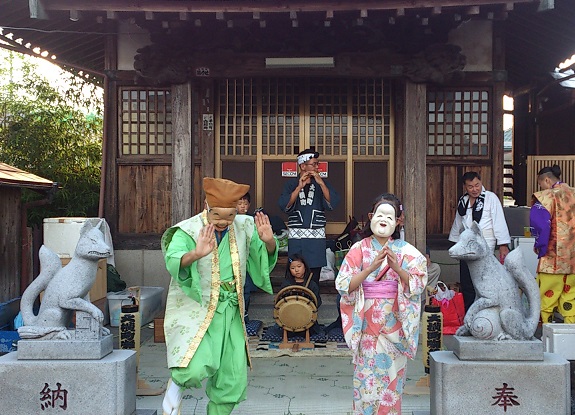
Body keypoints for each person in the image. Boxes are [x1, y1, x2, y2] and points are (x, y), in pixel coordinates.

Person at [160, 177, 278, 415]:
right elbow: (173, 259)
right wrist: (195, 253)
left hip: (232, 309)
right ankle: (177, 383)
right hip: (199, 307)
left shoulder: (245, 225)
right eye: (217, 216)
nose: (224, 222)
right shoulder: (188, 229)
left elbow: (262, 256)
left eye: (230, 216)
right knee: (193, 367)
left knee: (231, 377)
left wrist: (269, 242)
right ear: (207, 206)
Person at [335, 193, 427, 414]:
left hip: (394, 324)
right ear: (371, 217)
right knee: (366, 381)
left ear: (398, 221)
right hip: (367, 326)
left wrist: (397, 269)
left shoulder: (407, 251)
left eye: (390, 216)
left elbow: (418, 283)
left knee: (392, 381)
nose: (384, 220)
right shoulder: (359, 249)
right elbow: (344, 285)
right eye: (379, 214)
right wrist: (369, 268)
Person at [278, 148, 340, 305]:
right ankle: (292, 307)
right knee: (294, 273)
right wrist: (299, 187)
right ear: (303, 166)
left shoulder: (322, 183)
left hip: (316, 239)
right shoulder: (291, 184)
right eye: (314, 164)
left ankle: (312, 310)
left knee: (314, 277)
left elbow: (333, 203)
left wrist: (321, 183)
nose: (317, 167)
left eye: (317, 164)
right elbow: (284, 205)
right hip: (297, 239)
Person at [448, 171, 511, 312]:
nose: (475, 189)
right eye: (470, 186)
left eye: (477, 185)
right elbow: (458, 223)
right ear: (465, 187)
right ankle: (469, 312)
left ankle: (485, 312)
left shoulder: (490, 198)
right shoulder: (463, 201)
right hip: (467, 246)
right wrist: (455, 243)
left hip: (485, 244)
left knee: (484, 280)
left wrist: (503, 245)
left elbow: (499, 221)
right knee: (467, 280)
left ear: (481, 182)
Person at [530, 165, 575, 323]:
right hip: (573, 261)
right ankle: (570, 331)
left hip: (552, 258)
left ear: (547, 180)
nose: (541, 188)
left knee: (546, 299)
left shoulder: (546, 197)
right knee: (570, 299)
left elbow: (540, 225)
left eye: (541, 184)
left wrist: (539, 245)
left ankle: (546, 330)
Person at [237, 192, 256, 322]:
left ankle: (245, 313)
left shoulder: (251, 220)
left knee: (246, 288)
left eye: (245, 203)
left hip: (247, 259)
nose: (242, 206)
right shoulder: (230, 220)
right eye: (239, 203)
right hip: (235, 257)